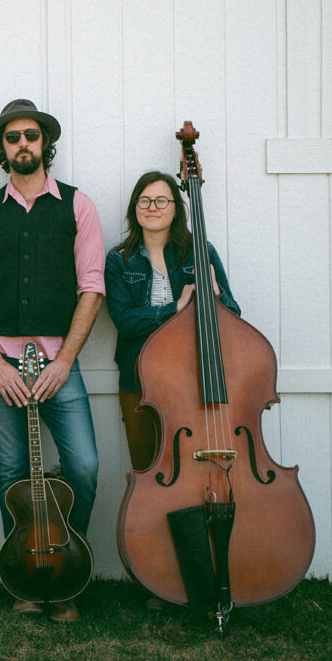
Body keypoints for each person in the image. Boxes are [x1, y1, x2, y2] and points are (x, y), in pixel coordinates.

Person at [0, 99, 105, 624]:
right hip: (1, 361)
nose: (23, 143)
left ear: (45, 143)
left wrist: (64, 362)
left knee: (84, 467)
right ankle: (23, 578)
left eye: (31, 135)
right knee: (13, 473)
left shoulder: (78, 206)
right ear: (3, 148)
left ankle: (66, 569)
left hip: (59, 361)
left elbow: (92, 288)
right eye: (13, 137)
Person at [104, 170, 240, 472]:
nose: (152, 207)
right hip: (139, 379)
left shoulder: (201, 251)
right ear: (134, 208)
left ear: (176, 208)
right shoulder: (119, 260)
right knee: (146, 467)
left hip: (194, 378)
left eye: (161, 200)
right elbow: (124, 321)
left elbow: (234, 317)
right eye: (144, 201)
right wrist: (174, 308)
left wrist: (216, 293)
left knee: (196, 467)